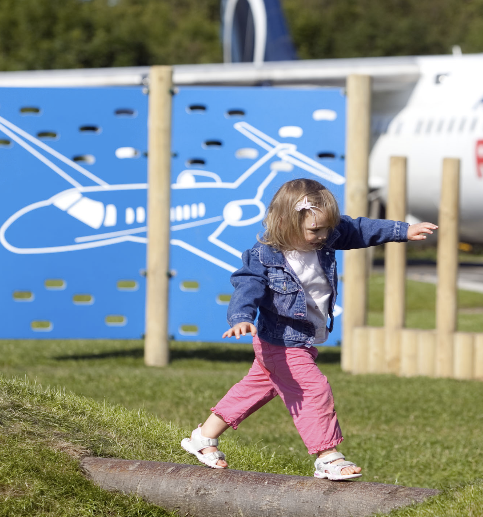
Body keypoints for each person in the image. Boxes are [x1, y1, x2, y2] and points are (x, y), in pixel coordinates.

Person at [181, 178, 437, 480]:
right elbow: (247, 286)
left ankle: (203, 438)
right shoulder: (265, 257)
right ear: (286, 223)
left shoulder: (325, 238)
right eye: (316, 230)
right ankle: (327, 456)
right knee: (313, 389)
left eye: (328, 229)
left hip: (300, 340)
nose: (324, 236)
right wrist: (241, 317)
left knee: (256, 389)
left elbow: (358, 229)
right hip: (280, 342)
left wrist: (403, 231)